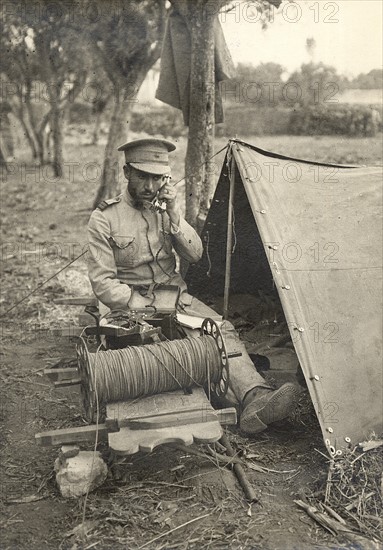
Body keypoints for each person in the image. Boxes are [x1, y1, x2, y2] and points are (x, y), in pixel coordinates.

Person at [87, 138, 299, 434]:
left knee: (219, 329)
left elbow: (196, 254)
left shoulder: (165, 212)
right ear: (126, 173)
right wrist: (143, 305)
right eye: (143, 176)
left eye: (157, 178)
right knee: (178, 351)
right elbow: (103, 283)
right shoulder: (104, 219)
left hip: (175, 297)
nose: (150, 186)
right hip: (130, 306)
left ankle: (255, 395)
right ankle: (242, 408)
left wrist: (174, 215)